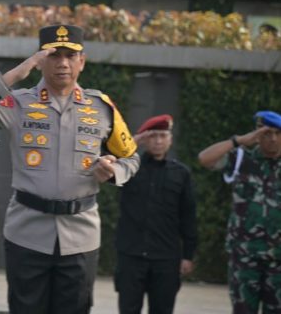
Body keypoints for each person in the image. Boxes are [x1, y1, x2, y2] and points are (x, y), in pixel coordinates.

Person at [0, 24, 140, 313]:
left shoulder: (101, 108)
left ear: (82, 61)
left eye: (70, 55)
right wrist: (19, 72)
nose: (62, 63)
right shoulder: (18, 103)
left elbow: (131, 158)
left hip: (81, 235)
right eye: (53, 55)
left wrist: (114, 171)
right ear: (41, 60)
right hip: (27, 232)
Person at [198, 111, 281, 313]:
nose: (273, 139)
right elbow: (205, 159)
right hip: (245, 256)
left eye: (278, 133)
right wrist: (238, 141)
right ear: (256, 134)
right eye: (266, 133)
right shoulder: (241, 159)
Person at [115, 114, 197, 314]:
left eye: (163, 136)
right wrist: (133, 141)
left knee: (162, 309)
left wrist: (188, 255)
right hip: (131, 255)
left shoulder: (181, 173)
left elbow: (188, 215)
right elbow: (109, 164)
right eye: (153, 136)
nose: (158, 141)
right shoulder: (129, 168)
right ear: (144, 139)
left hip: (166, 257)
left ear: (170, 139)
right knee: (128, 308)